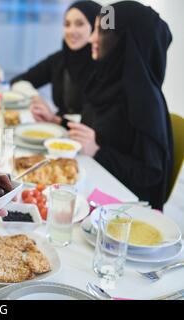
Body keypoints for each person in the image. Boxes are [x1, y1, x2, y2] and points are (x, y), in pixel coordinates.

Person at [68, 1, 174, 210]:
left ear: (123, 40)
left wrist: (99, 151)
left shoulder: (145, 101)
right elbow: (95, 135)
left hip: (124, 212)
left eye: (100, 31)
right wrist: (59, 121)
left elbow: (150, 175)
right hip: (95, 184)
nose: (91, 38)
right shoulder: (104, 82)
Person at [11, 1, 101, 126]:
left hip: (89, 139)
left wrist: (55, 119)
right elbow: (17, 81)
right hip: (58, 134)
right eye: (67, 24)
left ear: (96, 27)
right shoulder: (59, 59)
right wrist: (36, 98)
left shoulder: (104, 64)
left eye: (79, 24)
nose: (71, 31)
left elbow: (99, 123)